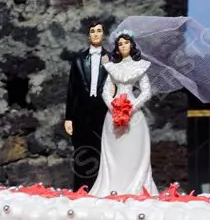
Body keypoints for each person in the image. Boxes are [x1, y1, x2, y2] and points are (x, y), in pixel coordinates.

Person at [88, 32, 159, 196]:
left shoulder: (140, 66)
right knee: (115, 151)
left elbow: (146, 91)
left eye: (126, 43)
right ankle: (114, 185)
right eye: (120, 44)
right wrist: (114, 107)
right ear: (117, 48)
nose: (123, 46)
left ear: (132, 45)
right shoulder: (113, 67)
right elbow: (106, 91)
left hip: (133, 114)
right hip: (113, 114)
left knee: (133, 151)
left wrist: (131, 107)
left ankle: (136, 185)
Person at [64, 20, 110, 191]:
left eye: (99, 30)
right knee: (81, 151)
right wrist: (69, 117)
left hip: (103, 112)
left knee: (101, 151)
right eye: (93, 31)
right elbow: (72, 90)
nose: (96, 34)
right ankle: (81, 189)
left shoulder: (111, 59)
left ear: (103, 34)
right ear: (88, 35)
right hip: (81, 113)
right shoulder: (78, 60)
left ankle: (100, 189)